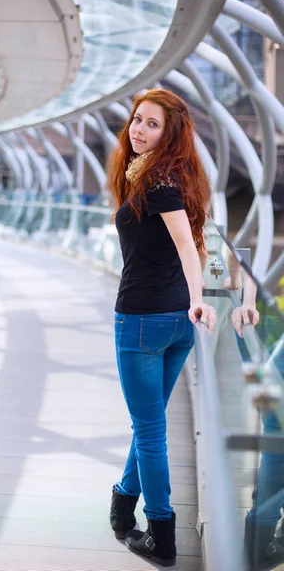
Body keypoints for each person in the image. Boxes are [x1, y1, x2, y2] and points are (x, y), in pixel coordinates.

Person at [107, 88, 216, 566]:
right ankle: (122, 504)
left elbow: (188, 248)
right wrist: (190, 306)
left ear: (170, 134)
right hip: (173, 324)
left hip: (144, 321)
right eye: (137, 119)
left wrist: (199, 300)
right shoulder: (168, 177)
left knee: (149, 431)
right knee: (148, 423)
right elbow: (193, 241)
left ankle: (162, 536)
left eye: (152, 124)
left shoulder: (158, 184)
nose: (139, 129)